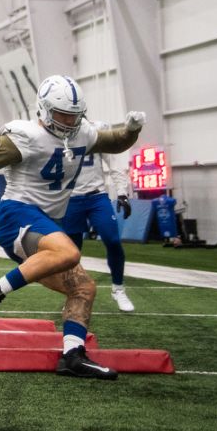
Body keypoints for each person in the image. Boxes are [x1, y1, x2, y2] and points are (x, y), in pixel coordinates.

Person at [0, 75, 145, 380]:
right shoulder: (25, 136)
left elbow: (116, 142)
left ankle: (72, 356)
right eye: (63, 114)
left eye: (75, 115)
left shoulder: (82, 132)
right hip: (16, 215)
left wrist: (132, 130)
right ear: (45, 110)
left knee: (84, 287)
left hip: (46, 222)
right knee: (69, 252)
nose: (70, 121)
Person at [60, 120, 135, 312]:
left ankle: (118, 288)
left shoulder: (96, 129)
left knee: (112, 240)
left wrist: (122, 192)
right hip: (70, 198)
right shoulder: (54, 133)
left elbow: (113, 162)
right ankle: (74, 293)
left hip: (96, 196)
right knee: (72, 253)